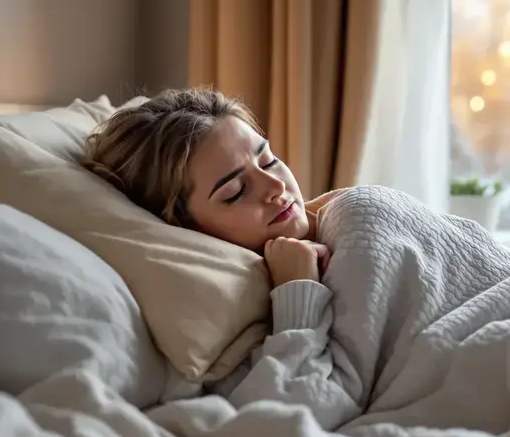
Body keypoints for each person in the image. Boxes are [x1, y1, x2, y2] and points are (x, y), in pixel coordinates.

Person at [84, 87, 337, 287]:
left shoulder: (349, 219)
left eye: (268, 162)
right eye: (236, 192)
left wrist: (298, 287)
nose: (277, 186)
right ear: (186, 227)